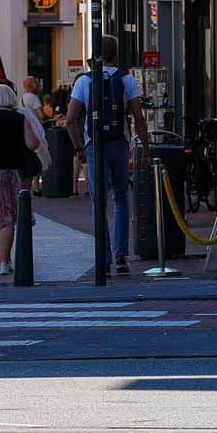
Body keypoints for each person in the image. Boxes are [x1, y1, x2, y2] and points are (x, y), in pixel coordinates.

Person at [66, 34, 149, 275]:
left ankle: (103, 257)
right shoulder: (126, 80)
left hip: (94, 145)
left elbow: (70, 120)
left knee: (98, 200)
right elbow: (139, 119)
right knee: (122, 197)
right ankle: (121, 255)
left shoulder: (84, 81)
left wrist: (79, 147)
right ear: (116, 53)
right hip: (119, 143)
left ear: (97, 54)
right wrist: (146, 149)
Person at [0, 82, 42, 275]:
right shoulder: (19, 119)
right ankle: (5, 262)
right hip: (13, 172)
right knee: (8, 216)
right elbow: (33, 143)